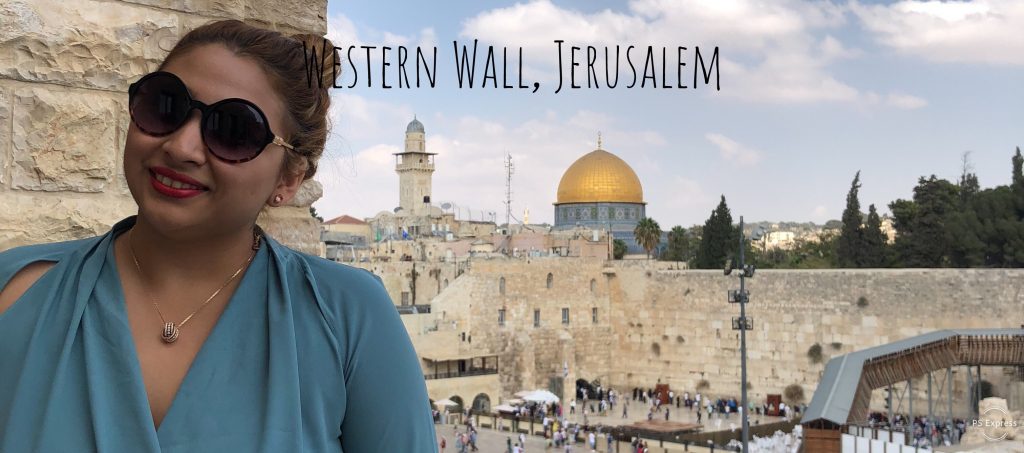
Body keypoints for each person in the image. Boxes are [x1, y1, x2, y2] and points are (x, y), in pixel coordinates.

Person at [0, 20, 436, 452]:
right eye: (165, 105)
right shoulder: (19, 291)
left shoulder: (347, 318)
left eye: (232, 130)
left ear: (289, 178)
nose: (181, 147)